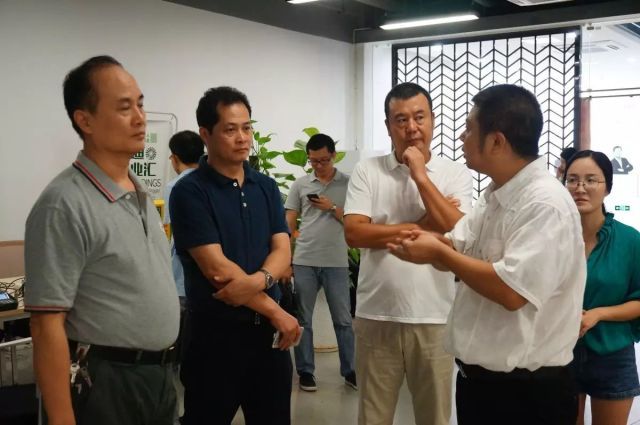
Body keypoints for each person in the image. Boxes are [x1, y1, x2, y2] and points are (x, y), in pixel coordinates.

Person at [388, 84, 586, 425]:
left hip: (526, 392)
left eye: (469, 129)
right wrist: (427, 245)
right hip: (480, 381)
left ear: (496, 141)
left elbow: (511, 291)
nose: (462, 137)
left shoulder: (544, 203)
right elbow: (460, 243)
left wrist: (440, 253)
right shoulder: (496, 192)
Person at [24, 55, 180, 425]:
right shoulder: (64, 203)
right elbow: (46, 326)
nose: (140, 118)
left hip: (158, 377)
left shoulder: (139, 194)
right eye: (125, 108)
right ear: (85, 120)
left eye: (140, 104)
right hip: (104, 381)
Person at [170, 86, 301, 425]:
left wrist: (259, 281)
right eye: (230, 129)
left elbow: (282, 249)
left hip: (268, 341)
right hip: (215, 338)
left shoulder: (265, 187)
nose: (242, 138)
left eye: (247, 127)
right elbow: (217, 270)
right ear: (206, 134)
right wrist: (277, 311)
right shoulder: (190, 191)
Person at [343, 82, 473, 425]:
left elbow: (458, 232)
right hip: (376, 315)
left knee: (434, 417)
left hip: (435, 317)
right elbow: (355, 233)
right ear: (388, 126)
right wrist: (425, 224)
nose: (411, 127)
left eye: (419, 117)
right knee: (373, 417)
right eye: (401, 120)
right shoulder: (368, 170)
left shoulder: (455, 173)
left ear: (432, 120)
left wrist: (420, 176)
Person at [563, 150, 640, 425]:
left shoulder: (630, 240)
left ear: (607, 187)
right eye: (572, 180)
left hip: (612, 353)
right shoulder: (553, 237)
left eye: (591, 180)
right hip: (560, 351)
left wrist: (598, 314)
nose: (580, 188)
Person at [284, 133, 356, 392]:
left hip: (336, 261)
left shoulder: (349, 183)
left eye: (323, 160)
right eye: (313, 161)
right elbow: (288, 221)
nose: (318, 165)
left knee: (344, 320)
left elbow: (356, 222)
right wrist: (286, 256)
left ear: (333, 155)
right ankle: (306, 372)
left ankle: (350, 370)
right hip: (304, 259)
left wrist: (331, 208)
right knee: (303, 319)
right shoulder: (301, 184)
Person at [163, 130, 204, 303]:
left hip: (182, 275)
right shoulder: (212, 184)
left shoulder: (174, 187)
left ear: (175, 158)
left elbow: (168, 231)